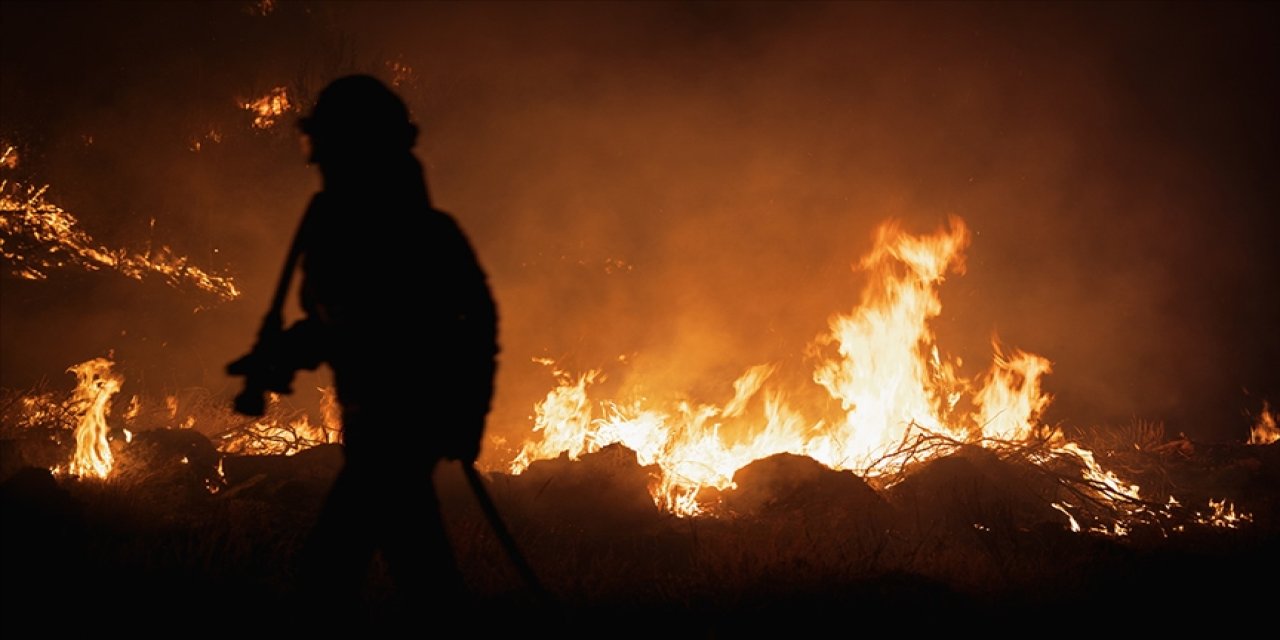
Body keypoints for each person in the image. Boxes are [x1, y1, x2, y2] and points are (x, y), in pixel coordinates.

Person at [230, 74, 499, 621]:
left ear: (358, 148)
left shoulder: (419, 234)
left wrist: (466, 416)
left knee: (332, 568)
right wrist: (285, 353)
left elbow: (467, 331)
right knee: (417, 563)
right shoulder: (337, 227)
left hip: (399, 424)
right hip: (375, 422)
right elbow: (342, 325)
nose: (317, 158)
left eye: (327, 143)